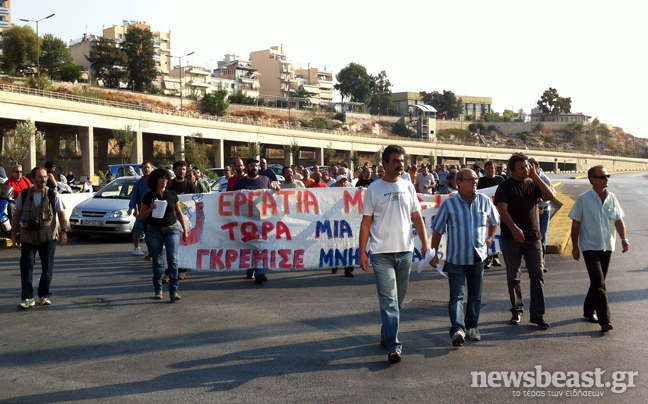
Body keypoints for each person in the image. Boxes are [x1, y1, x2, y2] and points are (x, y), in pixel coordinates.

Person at [359, 145, 431, 364]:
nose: (400, 164)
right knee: (389, 301)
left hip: (405, 252)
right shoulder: (373, 189)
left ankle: (386, 335)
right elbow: (366, 223)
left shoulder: (408, 186)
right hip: (381, 253)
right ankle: (394, 346)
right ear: (385, 164)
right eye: (396, 161)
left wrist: (425, 244)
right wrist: (362, 251)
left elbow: (417, 218)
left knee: (398, 301)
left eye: (402, 160)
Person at [431, 169, 499, 346]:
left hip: (478, 257)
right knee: (457, 297)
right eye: (470, 179)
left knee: (475, 296)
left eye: (476, 179)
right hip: (456, 259)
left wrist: (490, 237)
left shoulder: (484, 201)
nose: (474, 182)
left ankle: (472, 327)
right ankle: (457, 329)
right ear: (459, 182)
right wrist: (433, 253)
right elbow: (437, 229)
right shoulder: (449, 204)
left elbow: (495, 220)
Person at [495, 152, 555, 328]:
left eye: (527, 167)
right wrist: (514, 228)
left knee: (537, 275)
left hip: (533, 238)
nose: (525, 170)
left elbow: (549, 196)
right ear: (512, 170)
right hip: (511, 238)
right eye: (521, 168)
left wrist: (535, 176)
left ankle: (537, 314)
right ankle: (517, 310)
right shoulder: (505, 187)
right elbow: (502, 210)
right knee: (514, 277)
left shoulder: (532, 184)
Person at [569, 166, 629, 333]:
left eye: (607, 176)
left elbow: (618, 220)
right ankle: (605, 320)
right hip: (590, 247)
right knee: (599, 283)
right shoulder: (583, 199)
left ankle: (588, 310)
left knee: (597, 282)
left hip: (607, 246)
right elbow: (576, 224)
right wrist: (575, 247)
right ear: (592, 180)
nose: (606, 179)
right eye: (603, 176)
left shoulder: (612, 198)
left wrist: (624, 238)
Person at [11, 167, 68, 309]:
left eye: (45, 177)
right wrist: (13, 235)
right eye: (40, 177)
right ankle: (27, 297)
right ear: (33, 179)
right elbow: (16, 215)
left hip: (47, 237)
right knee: (26, 266)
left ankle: (44, 295)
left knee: (47, 267)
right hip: (27, 237)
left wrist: (64, 232)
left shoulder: (52, 194)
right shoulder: (24, 195)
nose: (43, 180)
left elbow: (62, 215)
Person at [139, 168, 189, 302]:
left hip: (171, 230)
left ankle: (174, 291)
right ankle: (158, 289)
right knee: (158, 261)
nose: (164, 181)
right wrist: (150, 208)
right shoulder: (148, 196)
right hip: (154, 231)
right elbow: (141, 215)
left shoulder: (172, 194)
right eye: (161, 178)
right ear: (156, 180)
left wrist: (185, 229)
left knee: (173, 259)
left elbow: (179, 213)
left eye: (166, 178)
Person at [234, 158, 280, 283]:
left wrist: (277, 190)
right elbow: (231, 199)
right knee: (249, 245)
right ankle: (251, 267)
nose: (254, 167)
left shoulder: (265, 180)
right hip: (245, 219)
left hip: (262, 219)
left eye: (256, 165)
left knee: (262, 245)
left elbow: (274, 193)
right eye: (251, 165)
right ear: (246, 168)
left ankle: (261, 272)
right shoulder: (240, 182)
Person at [167, 160, 196, 281]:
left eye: (184, 169)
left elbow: (195, 201)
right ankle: (169, 272)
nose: (182, 171)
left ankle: (183, 270)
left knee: (185, 246)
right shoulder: (169, 185)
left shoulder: (190, 185)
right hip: (171, 220)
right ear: (174, 170)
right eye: (179, 169)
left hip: (186, 221)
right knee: (171, 247)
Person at [528, 158, 556, 272]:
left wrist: (541, 199)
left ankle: (541, 263)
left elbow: (553, 193)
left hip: (543, 211)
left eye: (530, 165)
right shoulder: (526, 179)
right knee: (530, 238)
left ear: (535, 166)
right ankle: (531, 262)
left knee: (542, 237)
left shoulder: (544, 178)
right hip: (530, 211)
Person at [477, 161, 505, 269]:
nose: (490, 170)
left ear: (495, 169)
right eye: (488, 168)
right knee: (487, 233)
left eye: (492, 168)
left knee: (497, 233)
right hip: (485, 211)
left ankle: (496, 257)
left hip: (498, 210)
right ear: (485, 169)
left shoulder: (500, 180)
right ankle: (487, 258)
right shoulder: (481, 181)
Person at [127, 161, 154, 258]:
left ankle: (155, 250)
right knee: (141, 230)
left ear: (152, 169)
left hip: (156, 210)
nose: (146, 169)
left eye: (148, 167)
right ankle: (137, 248)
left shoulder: (156, 181)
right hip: (144, 211)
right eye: (144, 168)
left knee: (155, 231)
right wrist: (132, 208)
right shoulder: (139, 183)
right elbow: (135, 197)